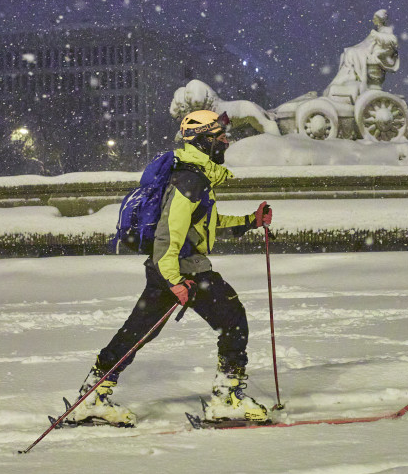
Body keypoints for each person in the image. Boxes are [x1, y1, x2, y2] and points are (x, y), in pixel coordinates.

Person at [67, 109, 273, 426]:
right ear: (204, 141)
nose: (226, 143)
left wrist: (250, 222)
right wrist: (175, 281)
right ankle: (227, 399)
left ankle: (91, 397)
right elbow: (167, 236)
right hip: (185, 271)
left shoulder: (194, 176)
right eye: (220, 138)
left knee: (135, 334)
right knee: (234, 320)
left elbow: (206, 225)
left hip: (168, 270)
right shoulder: (190, 180)